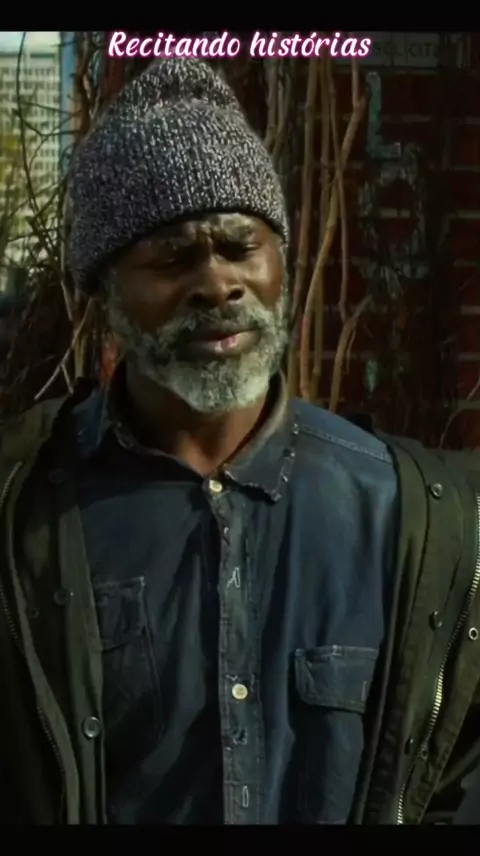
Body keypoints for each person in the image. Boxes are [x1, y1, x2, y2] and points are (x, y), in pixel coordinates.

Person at [0, 58, 478, 826]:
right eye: (173, 257)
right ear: (105, 292)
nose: (217, 285)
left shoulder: (409, 520)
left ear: (280, 259)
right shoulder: (24, 518)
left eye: (239, 246)